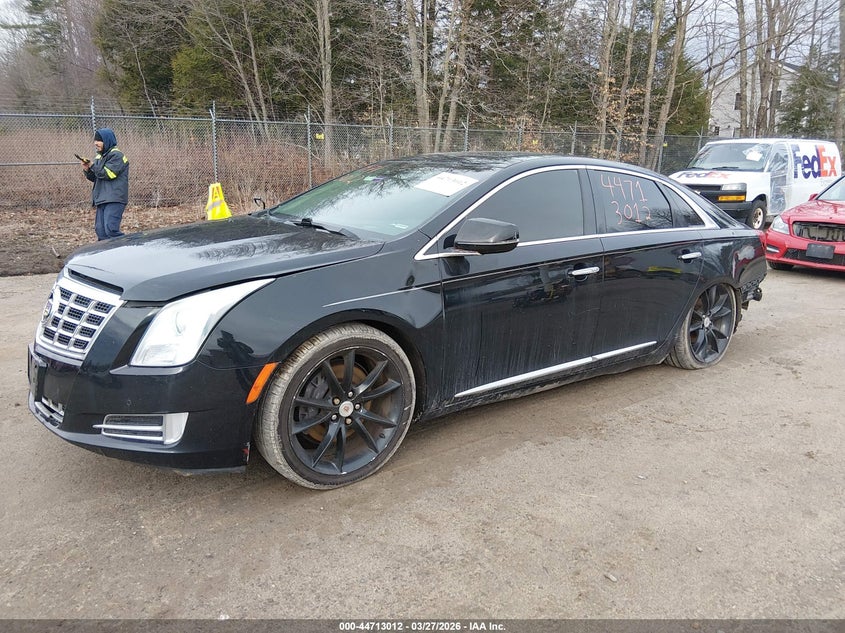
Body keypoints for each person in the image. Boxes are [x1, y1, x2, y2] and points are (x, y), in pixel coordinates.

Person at [80, 128, 129, 240]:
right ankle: (106, 255)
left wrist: (92, 165)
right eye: (95, 140)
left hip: (114, 198)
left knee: (111, 230)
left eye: (99, 140)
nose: (96, 143)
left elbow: (109, 174)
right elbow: (96, 177)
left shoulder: (117, 156)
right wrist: (87, 169)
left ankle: (127, 249)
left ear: (107, 141)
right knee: (101, 232)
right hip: (102, 198)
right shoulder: (99, 157)